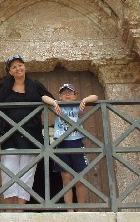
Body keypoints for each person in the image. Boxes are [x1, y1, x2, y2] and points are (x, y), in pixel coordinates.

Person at [0, 54, 57, 211]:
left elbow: (45, 97)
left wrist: (55, 103)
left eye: (20, 65)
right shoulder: (4, 86)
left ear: (25, 67)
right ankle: (10, 210)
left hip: (31, 136)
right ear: (10, 71)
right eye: (14, 67)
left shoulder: (34, 85)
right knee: (8, 172)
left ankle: (19, 210)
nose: (18, 69)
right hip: (10, 135)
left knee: (27, 175)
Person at [43, 83, 98, 211]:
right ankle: (69, 210)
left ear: (75, 96)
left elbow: (95, 96)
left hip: (76, 142)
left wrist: (84, 100)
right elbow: (43, 98)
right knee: (66, 178)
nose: (67, 95)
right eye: (64, 93)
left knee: (79, 178)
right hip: (61, 143)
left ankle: (81, 209)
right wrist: (54, 103)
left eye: (70, 92)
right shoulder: (58, 106)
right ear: (60, 96)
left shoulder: (78, 106)